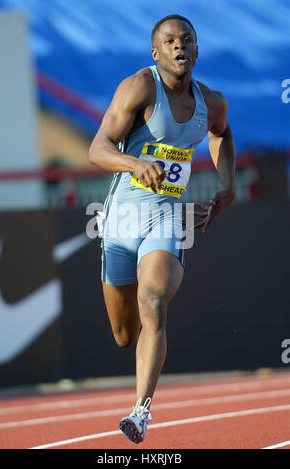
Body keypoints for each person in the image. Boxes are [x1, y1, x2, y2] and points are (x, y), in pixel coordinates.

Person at [88, 14, 236, 444]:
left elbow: (222, 136)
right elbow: (97, 148)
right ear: (156, 52)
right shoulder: (139, 86)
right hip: (120, 220)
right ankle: (137, 348)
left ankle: (140, 411)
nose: (179, 47)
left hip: (166, 216)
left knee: (153, 300)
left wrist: (227, 184)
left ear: (196, 50)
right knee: (123, 334)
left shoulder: (212, 102)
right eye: (170, 41)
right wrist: (136, 163)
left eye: (187, 40)